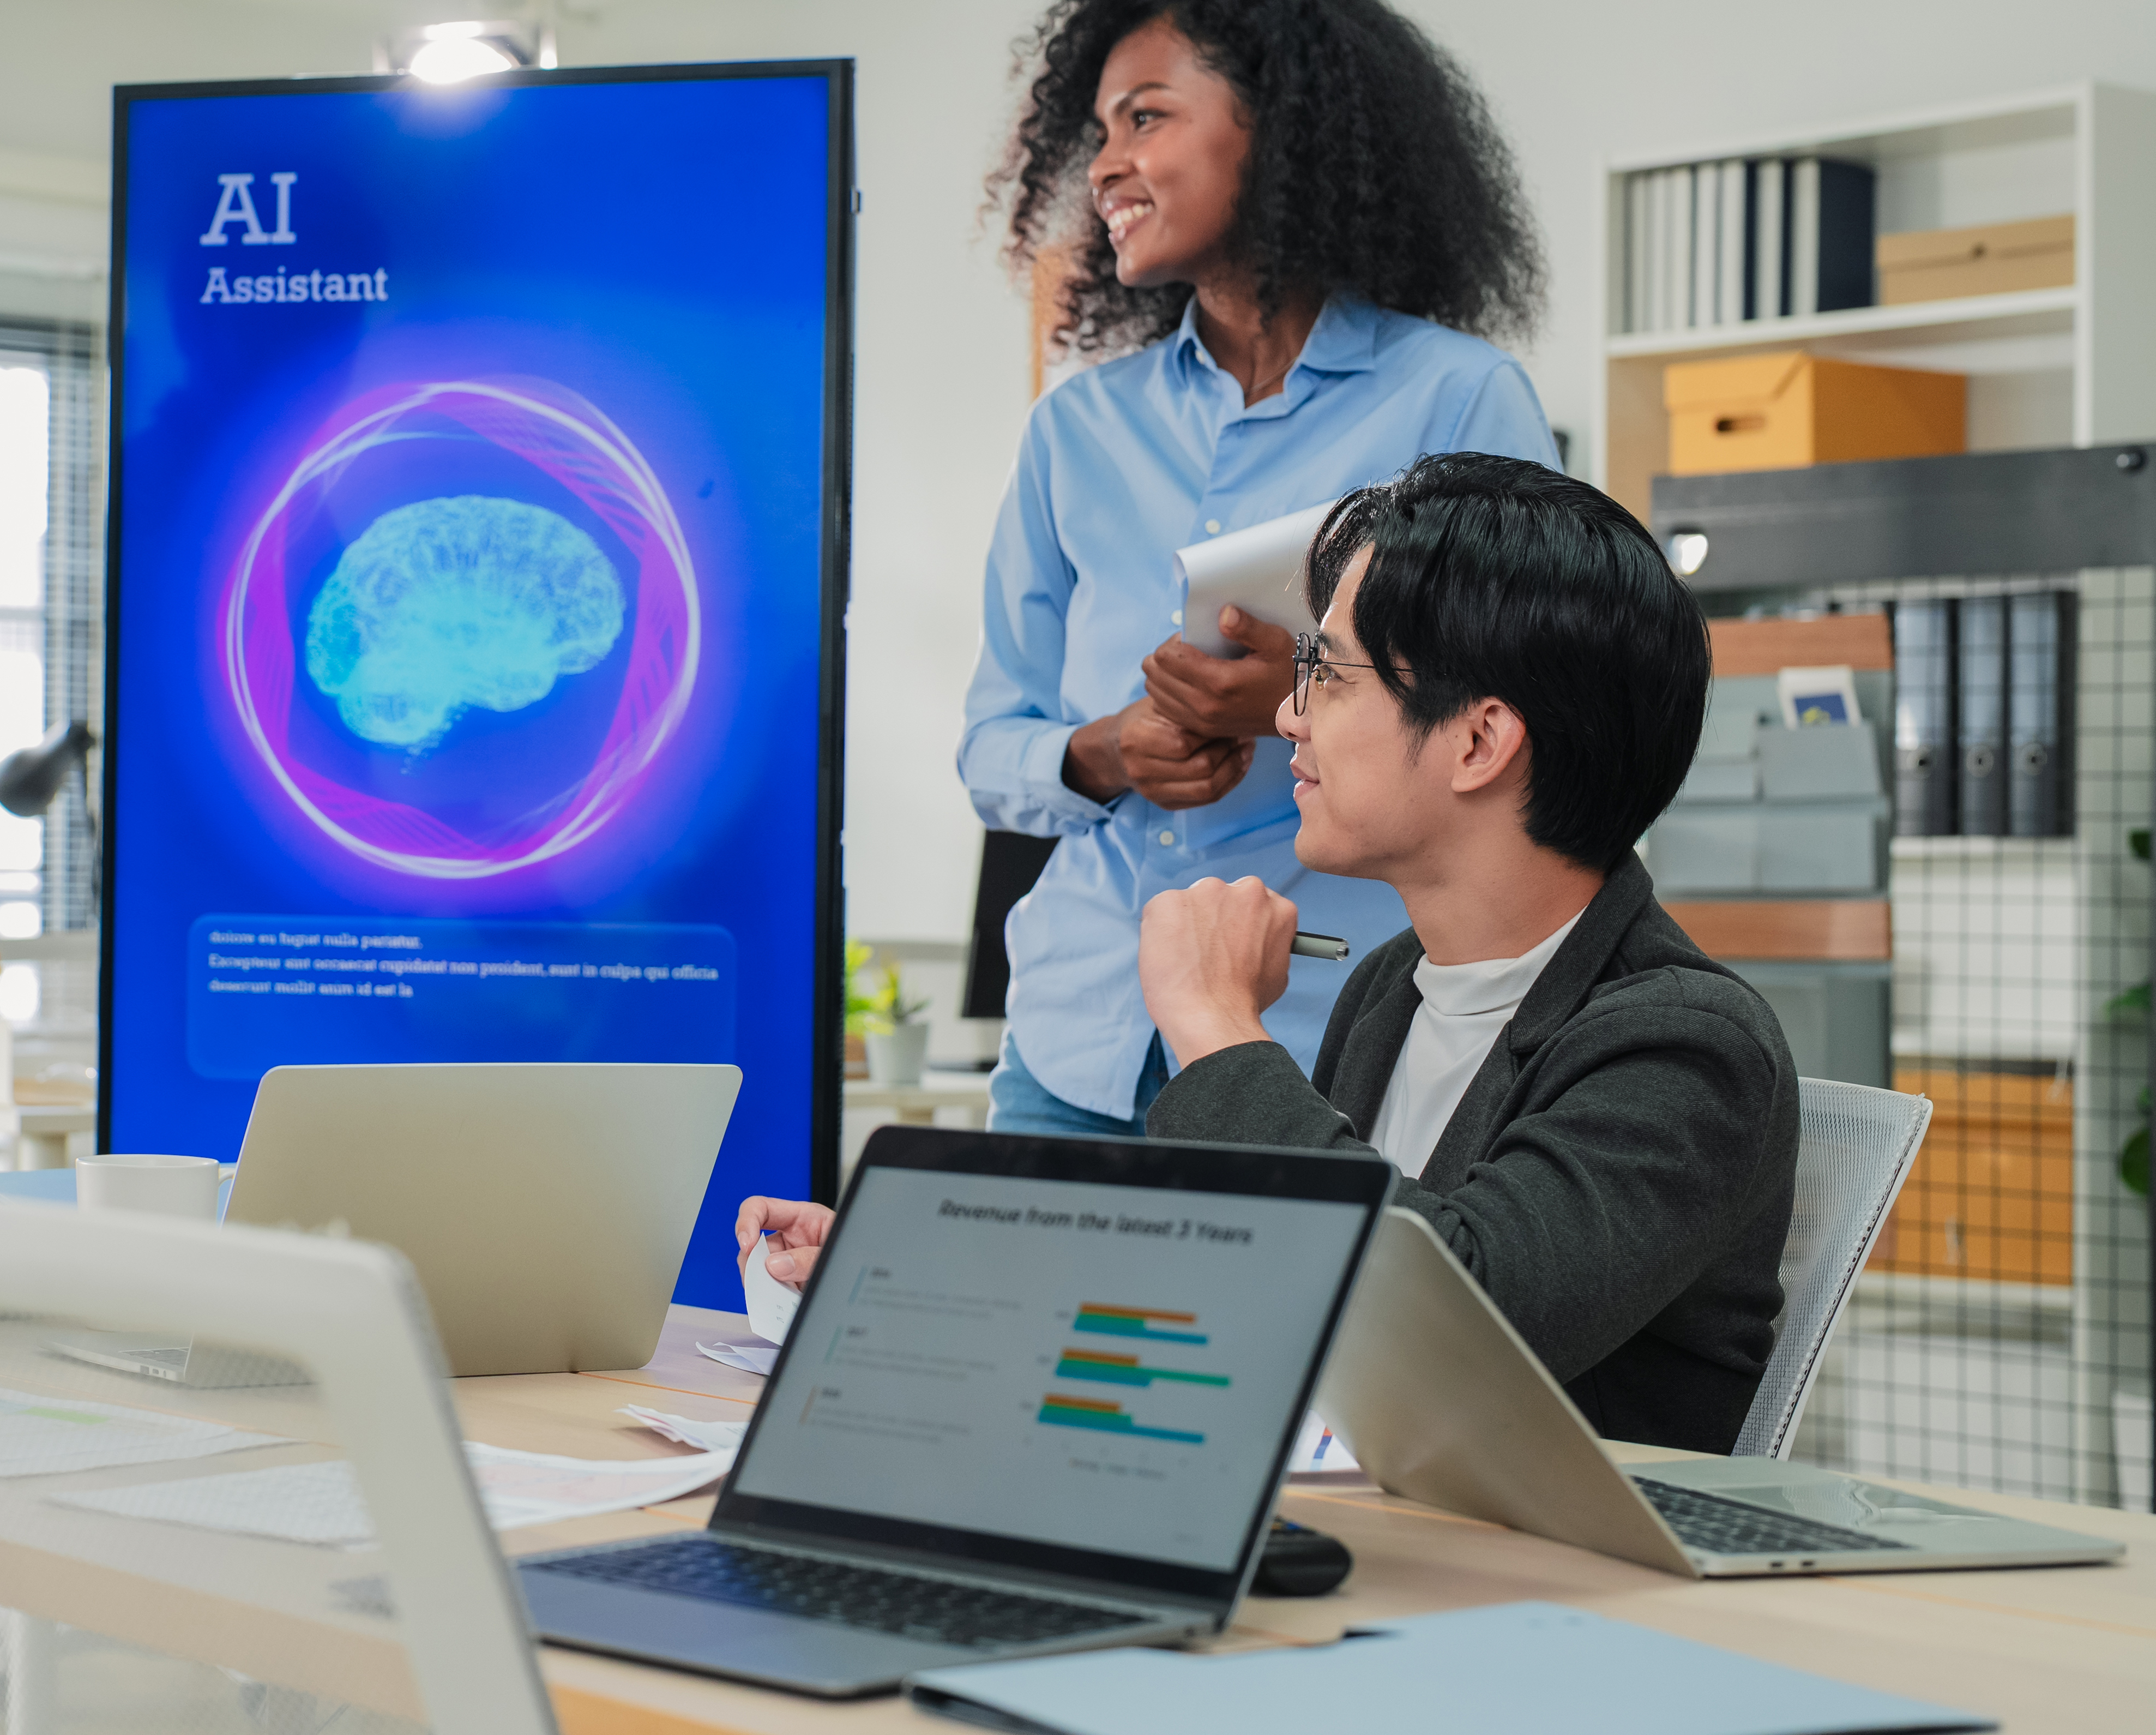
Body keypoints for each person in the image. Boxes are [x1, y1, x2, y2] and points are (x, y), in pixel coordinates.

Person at [749, 455, 1798, 1454]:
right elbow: (1251, 1297)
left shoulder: (1684, 1047)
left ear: (1479, 742)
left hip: (1541, 1599)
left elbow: (1455, 1331)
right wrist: (906, 1274)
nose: (1289, 716)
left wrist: (1215, 1029)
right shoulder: (1395, 985)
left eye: (1327, 675)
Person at [960, 0, 1558, 1136]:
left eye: (1147, 118)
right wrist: (1112, 750)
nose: (1109, 165)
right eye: (1099, 131)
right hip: (1077, 1041)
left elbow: (1517, 708)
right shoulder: (1076, 430)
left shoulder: (1454, 401)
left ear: (1275, 132)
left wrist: (1290, 700)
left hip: (1322, 1047)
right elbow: (992, 747)